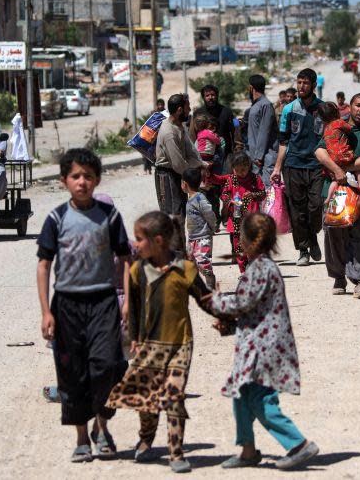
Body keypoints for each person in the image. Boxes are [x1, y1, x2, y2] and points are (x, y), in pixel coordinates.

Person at [36, 148, 129, 462]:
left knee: (106, 365)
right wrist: (46, 311)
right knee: (72, 371)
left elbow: (127, 260)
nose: (82, 182)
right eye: (75, 176)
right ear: (64, 180)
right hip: (66, 303)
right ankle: (81, 438)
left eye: (88, 176)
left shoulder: (109, 216)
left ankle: (102, 428)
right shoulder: (56, 218)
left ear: (97, 179)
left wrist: (128, 300)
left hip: (103, 300)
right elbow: (44, 265)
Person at [210, 213, 320, 471]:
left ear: (247, 242)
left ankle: (299, 444)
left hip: (264, 349)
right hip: (256, 343)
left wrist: (215, 302)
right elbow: (255, 311)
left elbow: (241, 303)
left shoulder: (260, 269)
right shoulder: (261, 267)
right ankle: (248, 450)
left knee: (261, 400)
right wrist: (229, 326)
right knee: (242, 394)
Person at [107, 212, 214, 474]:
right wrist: (134, 338)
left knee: (174, 396)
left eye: (140, 240)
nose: (136, 245)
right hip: (150, 345)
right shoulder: (137, 271)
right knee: (147, 399)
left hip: (180, 345)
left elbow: (206, 299)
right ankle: (146, 438)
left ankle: (176, 451)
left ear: (158, 241)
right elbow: (133, 311)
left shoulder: (185, 269)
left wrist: (227, 316)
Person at [316, 93, 360, 299]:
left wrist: (345, 168)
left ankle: (359, 282)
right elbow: (319, 152)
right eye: (358, 105)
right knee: (334, 234)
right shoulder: (335, 125)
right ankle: (338, 276)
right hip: (335, 189)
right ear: (349, 106)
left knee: (359, 236)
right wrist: (337, 170)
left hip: (359, 192)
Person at [272, 69, 325, 267]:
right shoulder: (289, 110)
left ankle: (313, 236)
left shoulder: (323, 108)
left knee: (315, 206)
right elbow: (284, 142)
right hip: (293, 165)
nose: (301, 86)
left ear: (313, 85)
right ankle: (304, 249)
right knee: (298, 210)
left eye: (305, 83)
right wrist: (277, 168)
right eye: (299, 82)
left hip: (316, 165)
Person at [155, 94, 206, 216]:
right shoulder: (169, 132)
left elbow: (190, 150)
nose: (189, 111)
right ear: (179, 110)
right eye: (187, 108)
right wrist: (196, 175)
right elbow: (178, 164)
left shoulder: (179, 126)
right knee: (174, 216)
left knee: (181, 212)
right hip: (168, 176)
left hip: (179, 174)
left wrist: (201, 163)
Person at [219, 153, 267, 274]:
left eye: (244, 169)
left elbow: (263, 194)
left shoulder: (255, 179)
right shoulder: (232, 180)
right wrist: (230, 201)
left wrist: (253, 195)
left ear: (249, 166)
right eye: (238, 170)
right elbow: (224, 194)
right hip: (236, 219)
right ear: (233, 168)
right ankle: (243, 271)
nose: (241, 172)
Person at [182, 167, 218, 289]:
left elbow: (209, 212)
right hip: (192, 238)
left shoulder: (199, 198)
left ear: (184, 184)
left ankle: (210, 281)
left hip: (203, 237)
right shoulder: (190, 199)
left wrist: (213, 226)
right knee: (191, 262)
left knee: (203, 262)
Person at [317, 101, 359, 203]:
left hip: (332, 160)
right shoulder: (339, 122)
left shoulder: (325, 130)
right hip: (344, 156)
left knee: (335, 180)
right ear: (337, 112)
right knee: (359, 167)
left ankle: (329, 197)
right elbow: (350, 129)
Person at [246, 74, 279, 177]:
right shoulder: (256, 105)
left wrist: (259, 156)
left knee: (267, 190)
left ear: (251, 88)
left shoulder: (266, 105)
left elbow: (265, 130)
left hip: (264, 159)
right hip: (255, 159)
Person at [198, 85, 235, 170]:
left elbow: (236, 126)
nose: (210, 98)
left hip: (226, 155)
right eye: (207, 95)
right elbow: (192, 135)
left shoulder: (227, 111)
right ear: (203, 97)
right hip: (204, 158)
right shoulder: (198, 113)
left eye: (213, 95)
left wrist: (238, 148)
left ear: (217, 96)